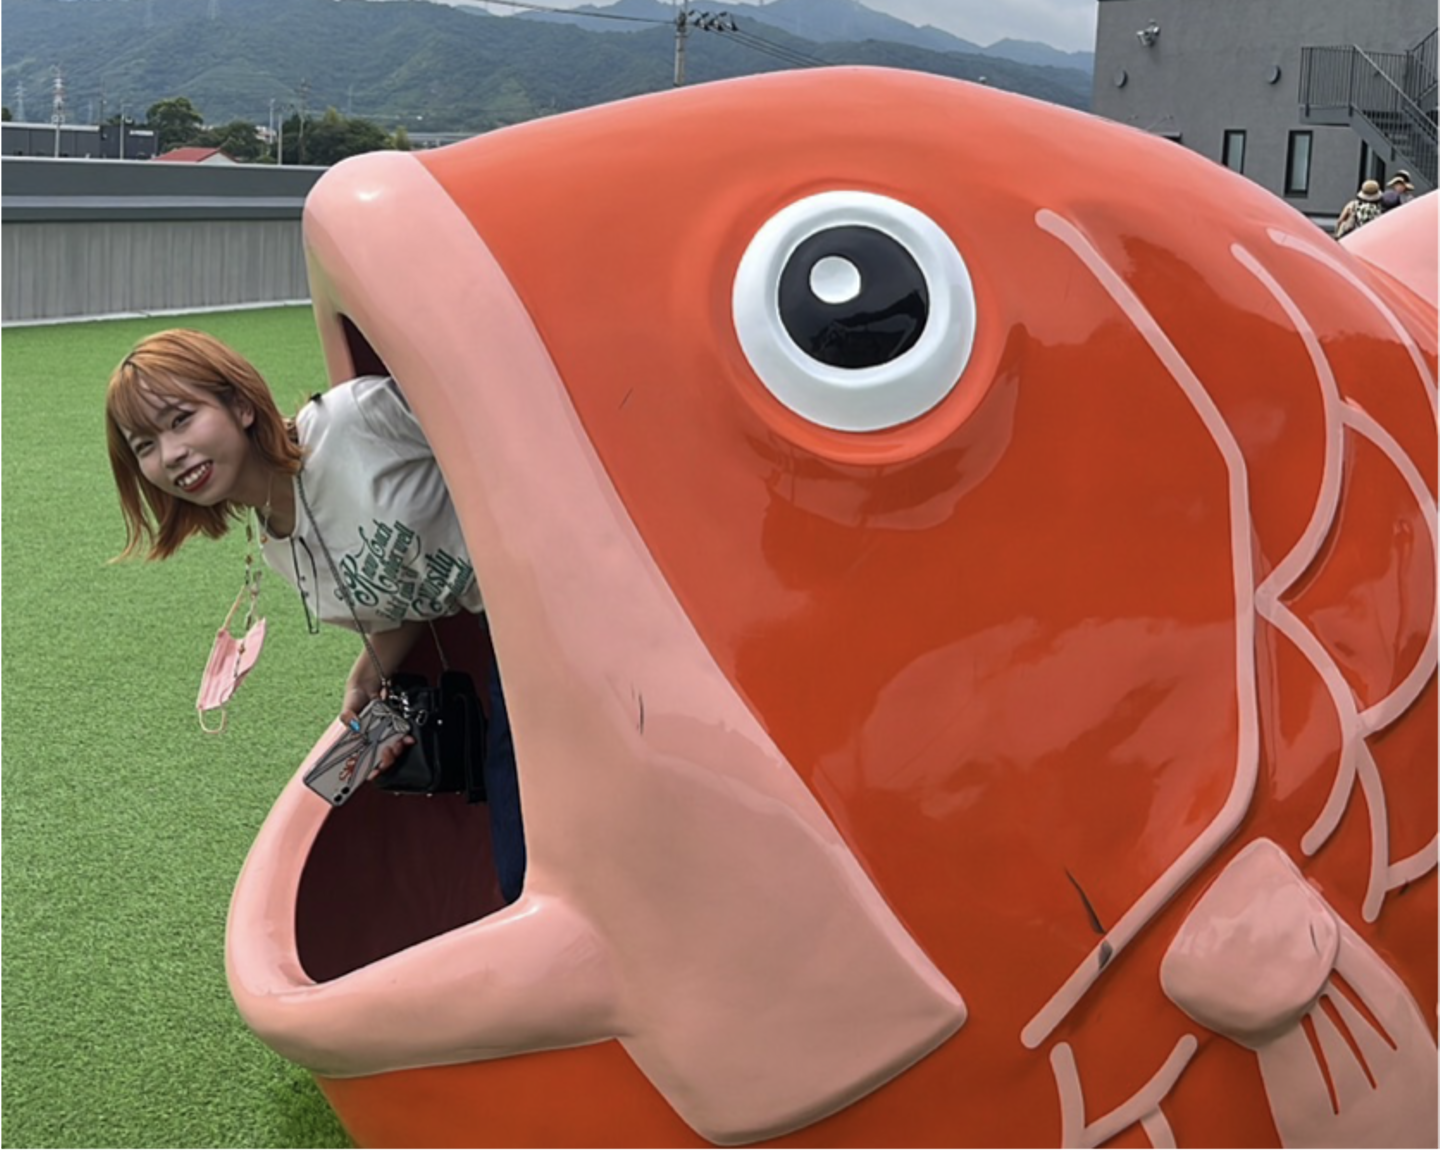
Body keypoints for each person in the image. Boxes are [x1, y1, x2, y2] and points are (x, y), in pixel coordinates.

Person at [105, 328, 526, 904]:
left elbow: (498, 423)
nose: (171, 453)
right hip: (513, 647)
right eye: (145, 446)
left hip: (568, 597)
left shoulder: (355, 419)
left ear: (240, 405)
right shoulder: (278, 547)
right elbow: (417, 587)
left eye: (181, 419)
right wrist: (369, 674)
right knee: (519, 868)